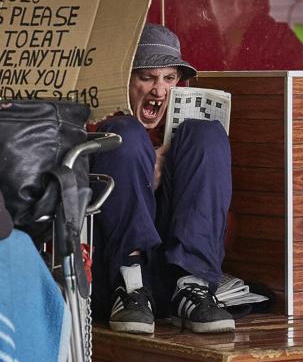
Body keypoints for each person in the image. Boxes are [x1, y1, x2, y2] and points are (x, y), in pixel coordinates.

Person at [90, 24, 234, 334]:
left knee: (207, 135)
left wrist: (173, 173)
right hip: (114, 273)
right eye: (147, 78)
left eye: (169, 79)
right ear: (123, 79)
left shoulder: (181, 136)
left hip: (173, 270)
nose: (159, 91)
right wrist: (140, 171)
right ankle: (130, 286)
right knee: (124, 134)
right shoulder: (96, 125)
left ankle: (193, 285)